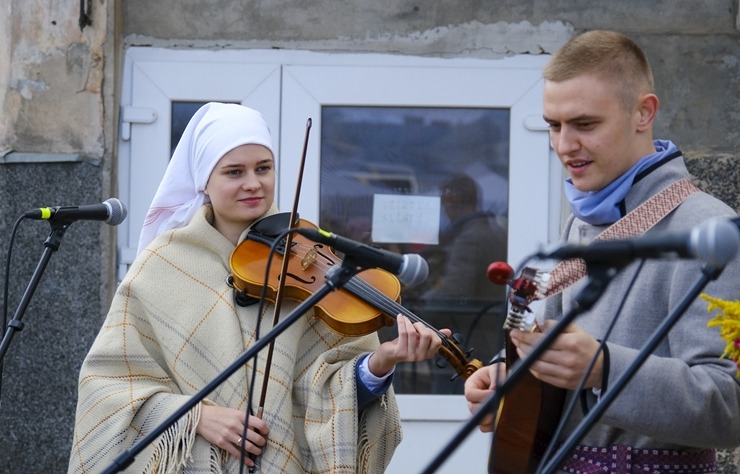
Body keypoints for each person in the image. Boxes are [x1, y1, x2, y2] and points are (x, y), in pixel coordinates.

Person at [68, 102, 448, 473]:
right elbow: (108, 387)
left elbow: (327, 386)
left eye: (263, 168)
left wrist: (378, 365)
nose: (253, 183)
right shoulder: (162, 265)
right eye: (234, 172)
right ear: (204, 180)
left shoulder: (312, 255)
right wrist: (195, 416)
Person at [464, 30, 740, 473]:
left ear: (643, 113)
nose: (563, 145)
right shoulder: (581, 222)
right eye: (554, 125)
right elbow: (555, 353)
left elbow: (730, 406)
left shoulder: (710, 230)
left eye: (585, 124)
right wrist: (507, 375)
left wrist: (605, 367)